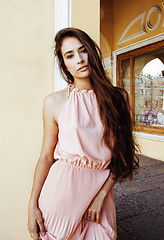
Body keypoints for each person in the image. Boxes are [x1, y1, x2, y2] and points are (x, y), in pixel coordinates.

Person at [27, 27, 139, 240]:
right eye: (70, 55)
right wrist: (32, 204)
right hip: (59, 195)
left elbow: (121, 155)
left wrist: (101, 196)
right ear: (65, 65)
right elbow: (45, 157)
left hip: (99, 197)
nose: (79, 59)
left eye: (83, 50)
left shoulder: (118, 98)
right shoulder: (54, 102)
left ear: (92, 53)